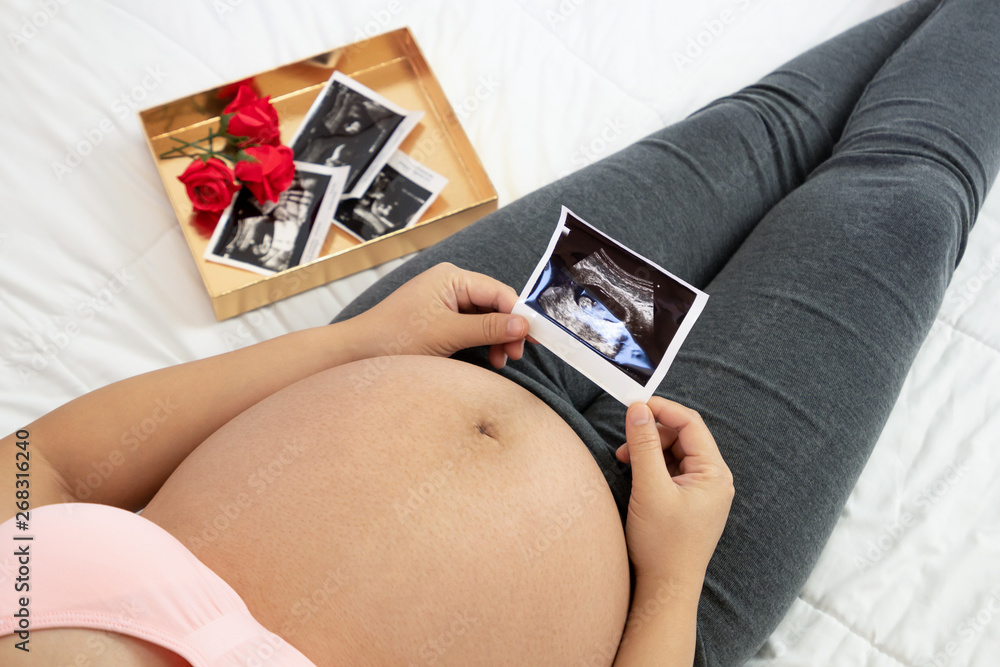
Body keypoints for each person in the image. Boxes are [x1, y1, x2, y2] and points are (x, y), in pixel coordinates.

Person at [2, 0, 998, 664]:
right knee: (908, 193)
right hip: (653, 559)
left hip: (424, 343)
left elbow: (37, 465)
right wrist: (672, 579)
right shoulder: (666, 572)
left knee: (758, 131)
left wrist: (355, 348)